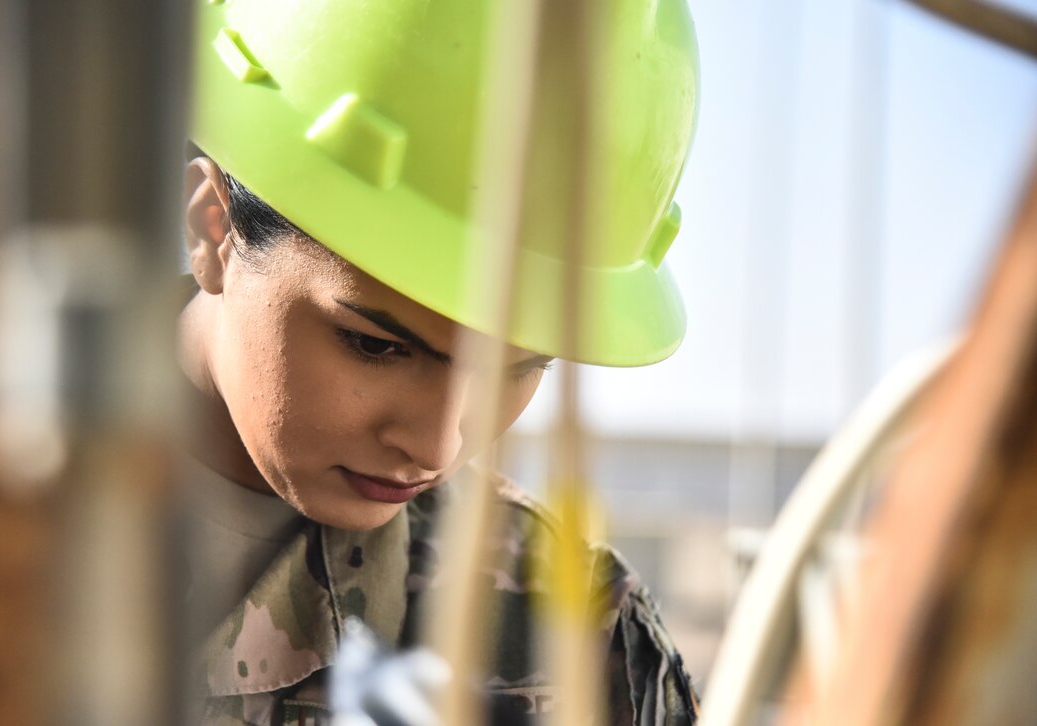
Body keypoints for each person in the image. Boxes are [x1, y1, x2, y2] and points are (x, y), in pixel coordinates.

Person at [179, 0, 701, 723]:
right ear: (214, 230)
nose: (435, 447)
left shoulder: (578, 639)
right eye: (376, 345)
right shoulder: (15, 537)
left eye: (517, 367)